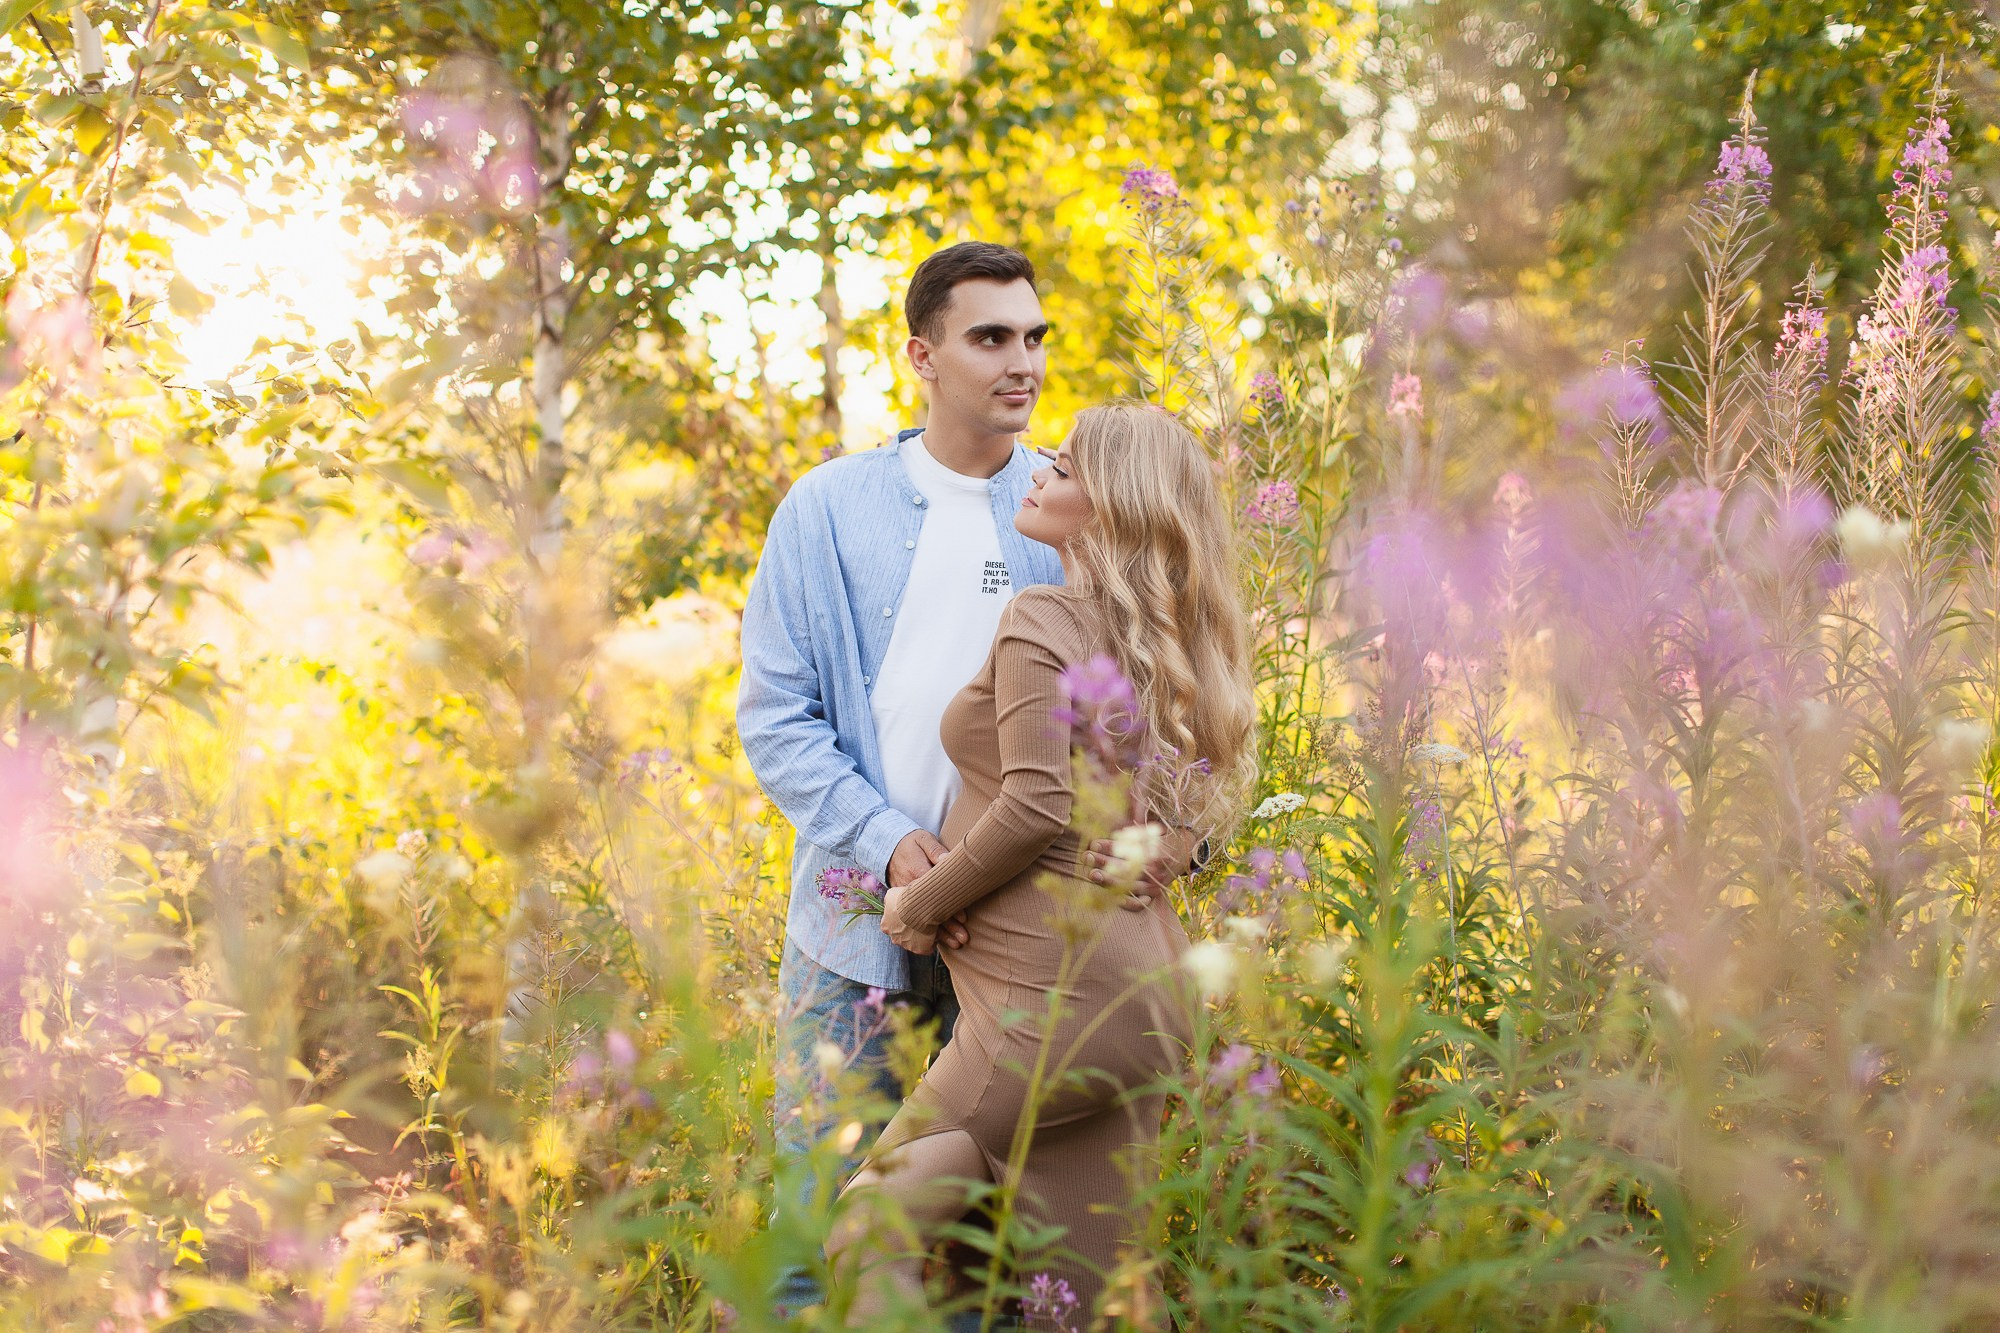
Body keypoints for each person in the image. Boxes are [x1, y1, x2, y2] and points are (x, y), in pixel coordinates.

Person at [826, 403, 1257, 1325]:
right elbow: (1198, 797)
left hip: (1049, 1007)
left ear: (1110, 504)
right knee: (1083, 1297)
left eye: (1062, 469)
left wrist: (916, 904)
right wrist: (1178, 845)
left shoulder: (1043, 617)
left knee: (868, 1231)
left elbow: (1033, 807)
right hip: (1140, 1003)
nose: (1040, 475)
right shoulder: (1165, 643)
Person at [739, 241, 1068, 1317]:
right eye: (990, 338)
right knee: (814, 1231)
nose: (1019, 361)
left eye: (1032, 337)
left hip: (1013, 944)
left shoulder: (1072, 506)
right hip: (856, 936)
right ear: (921, 356)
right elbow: (777, 721)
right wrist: (888, 841)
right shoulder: (827, 509)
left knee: (982, 1256)